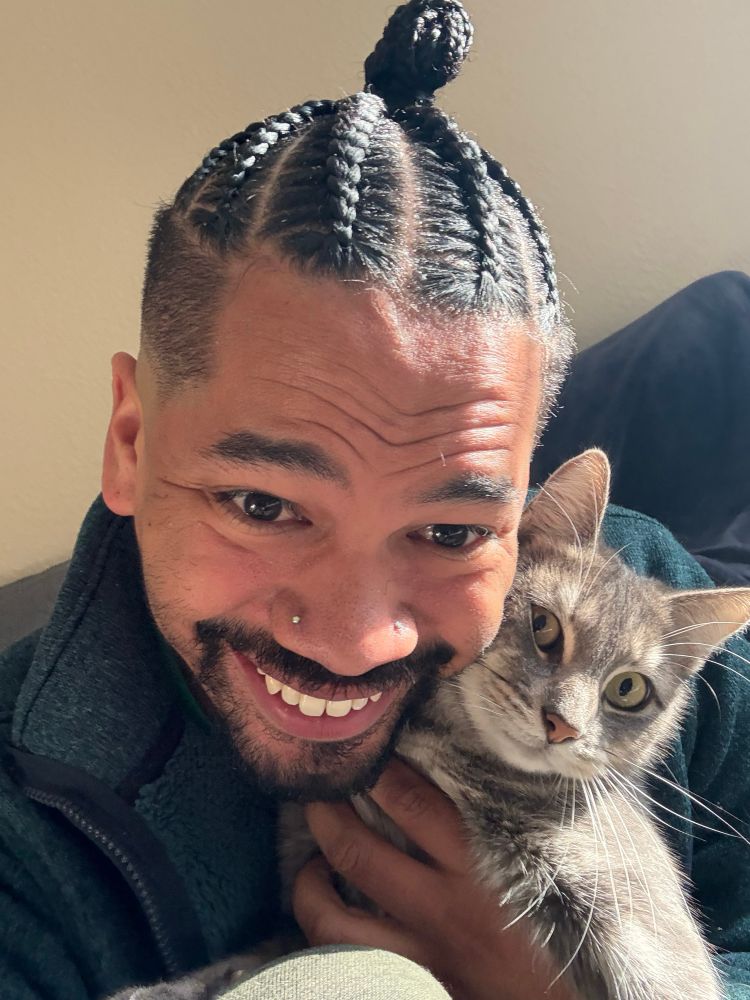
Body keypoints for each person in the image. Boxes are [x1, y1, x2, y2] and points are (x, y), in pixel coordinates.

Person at [1, 2, 749, 999]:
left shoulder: (639, 583)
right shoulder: (26, 853)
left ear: (524, 511)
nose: (357, 640)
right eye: (263, 505)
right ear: (131, 443)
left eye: (450, 530)